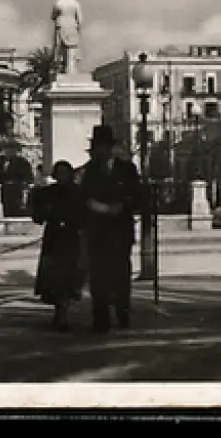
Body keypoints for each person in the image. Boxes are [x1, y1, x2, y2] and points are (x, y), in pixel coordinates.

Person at [77, 125, 144, 333]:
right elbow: (81, 198)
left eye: (104, 147)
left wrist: (122, 205)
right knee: (98, 276)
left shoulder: (127, 169)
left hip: (120, 230)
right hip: (97, 232)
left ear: (112, 148)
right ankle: (101, 318)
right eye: (97, 147)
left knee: (121, 274)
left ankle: (123, 312)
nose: (101, 151)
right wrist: (93, 206)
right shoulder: (88, 172)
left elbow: (138, 197)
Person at [30, 160, 87, 331]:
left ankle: (63, 314)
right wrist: (44, 209)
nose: (62, 177)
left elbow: (85, 216)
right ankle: (60, 312)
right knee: (54, 280)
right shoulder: (48, 193)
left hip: (71, 239)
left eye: (65, 173)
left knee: (68, 279)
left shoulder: (79, 193)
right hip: (53, 239)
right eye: (59, 173)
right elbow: (37, 217)